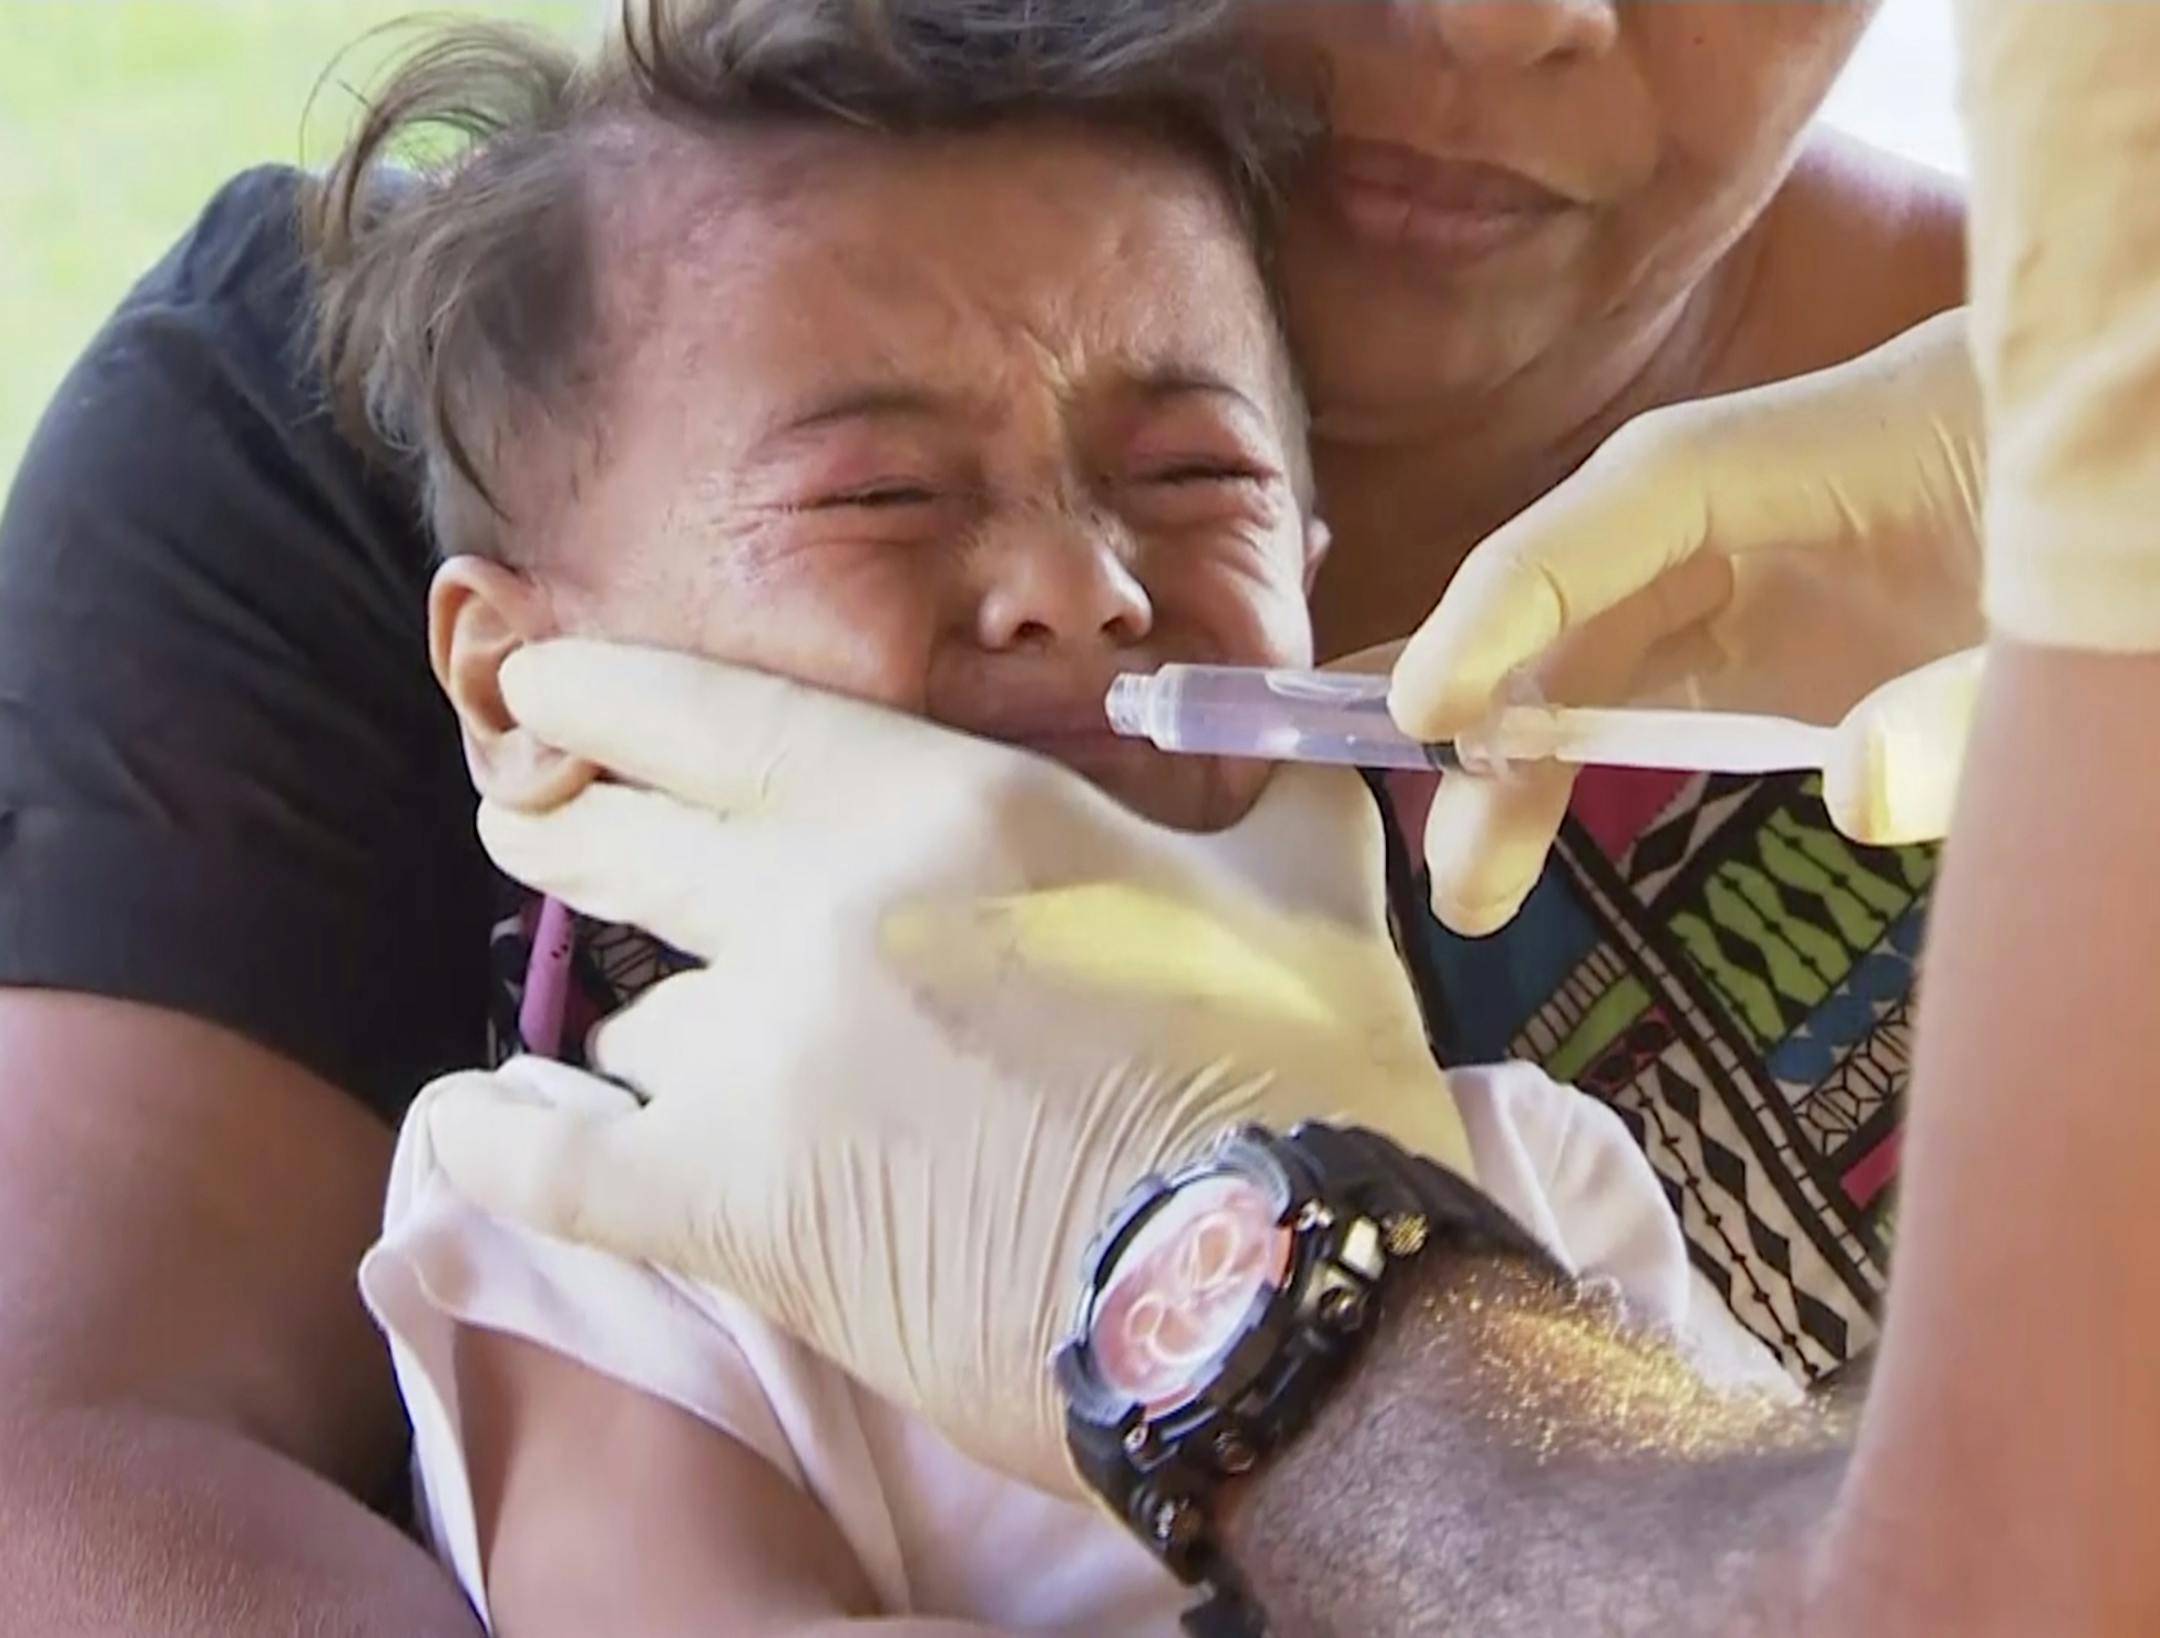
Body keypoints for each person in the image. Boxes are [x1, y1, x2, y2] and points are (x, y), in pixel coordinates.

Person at [0, 0, 1974, 1629]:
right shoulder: (605, 1217)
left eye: (1194, 477)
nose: (1083, 590)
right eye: (879, 501)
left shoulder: (1524, 1164)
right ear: (521, 685)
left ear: (1316, 544)